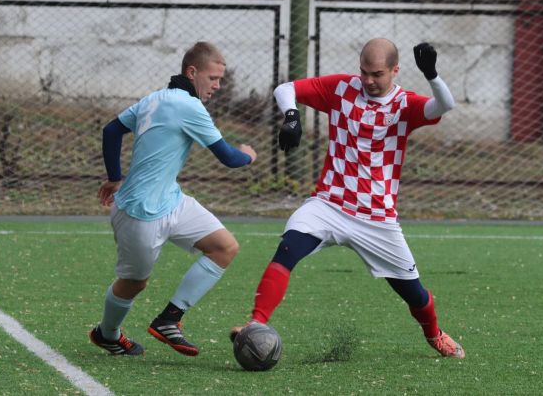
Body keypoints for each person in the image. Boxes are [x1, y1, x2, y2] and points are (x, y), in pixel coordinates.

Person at [230, 38, 465, 359]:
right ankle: (255, 323)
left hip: (377, 218)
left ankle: (435, 334)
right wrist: (292, 116)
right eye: (364, 72)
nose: (368, 80)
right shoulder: (342, 88)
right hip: (329, 204)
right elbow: (285, 89)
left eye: (377, 74)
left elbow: (444, 105)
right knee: (287, 249)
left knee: (414, 293)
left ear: (395, 70)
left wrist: (432, 75)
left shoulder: (404, 104)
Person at [89, 41, 257, 357]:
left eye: (220, 80)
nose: (217, 86)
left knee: (224, 247)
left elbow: (111, 131)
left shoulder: (154, 98)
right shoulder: (189, 106)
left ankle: (169, 319)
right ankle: (107, 334)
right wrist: (248, 155)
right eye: (213, 78)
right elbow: (229, 158)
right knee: (134, 283)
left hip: (171, 201)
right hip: (140, 213)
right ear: (192, 72)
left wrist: (114, 176)